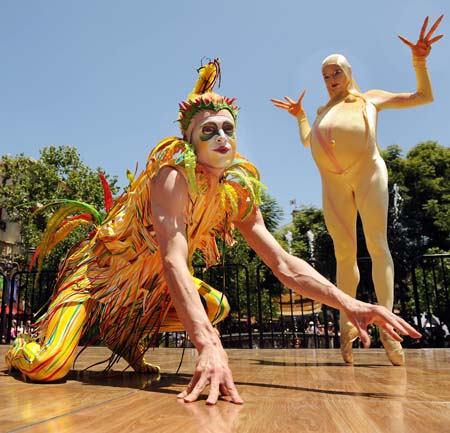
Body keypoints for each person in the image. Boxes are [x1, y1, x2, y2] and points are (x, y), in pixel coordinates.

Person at [6, 58, 421, 405]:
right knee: (47, 367)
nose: (222, 137)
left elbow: (284, 264)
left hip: (149, 290)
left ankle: (126, 334)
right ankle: (27, 343)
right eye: (209, 130)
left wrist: (351, 304)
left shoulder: (235, 192)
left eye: (228, 129)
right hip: (97, 281)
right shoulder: (172, 177)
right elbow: (173, 257)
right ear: (189, 142)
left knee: (216, 307)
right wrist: (207, 345)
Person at [271, 16, 443, 366]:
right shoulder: (321, 111)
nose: (331, 79)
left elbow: (424, 96)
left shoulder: (369, 100)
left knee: (378, 245)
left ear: (348, 72)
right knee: (343, 255)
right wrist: (301, 116)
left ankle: (388, 328)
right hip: (332, 183)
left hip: (368, 172)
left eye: (336, 72)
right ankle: (347, 325)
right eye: (326, 76)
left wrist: (419, 61)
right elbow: (308, 141)